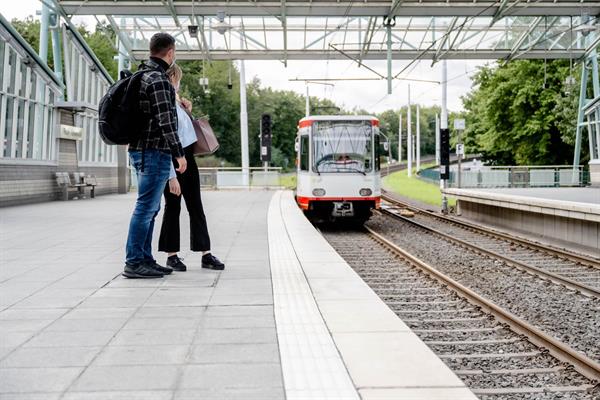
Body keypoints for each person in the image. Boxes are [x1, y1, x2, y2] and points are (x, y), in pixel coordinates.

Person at [123, 33, 187, 279]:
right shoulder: (158, 79)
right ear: (170, 53)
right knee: (145, 208)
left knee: (150, 208)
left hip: (140, 149)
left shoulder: (141, 75)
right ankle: (134, 261)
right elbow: (166, 121)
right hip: (153, 151)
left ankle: (145, 259)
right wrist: (179, 154)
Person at [158, 63, 225, 271]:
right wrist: (171, 176)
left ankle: (206, 253)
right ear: (170, 79)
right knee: (173, 206)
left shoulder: (178, 104)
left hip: (187, 157)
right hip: (172, 159)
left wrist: (188, 111)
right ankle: (172, 256)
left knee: (196, 205)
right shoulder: (164, 104)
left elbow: (186, 133)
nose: (178, 84)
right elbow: (166, 139)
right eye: (177, 79)